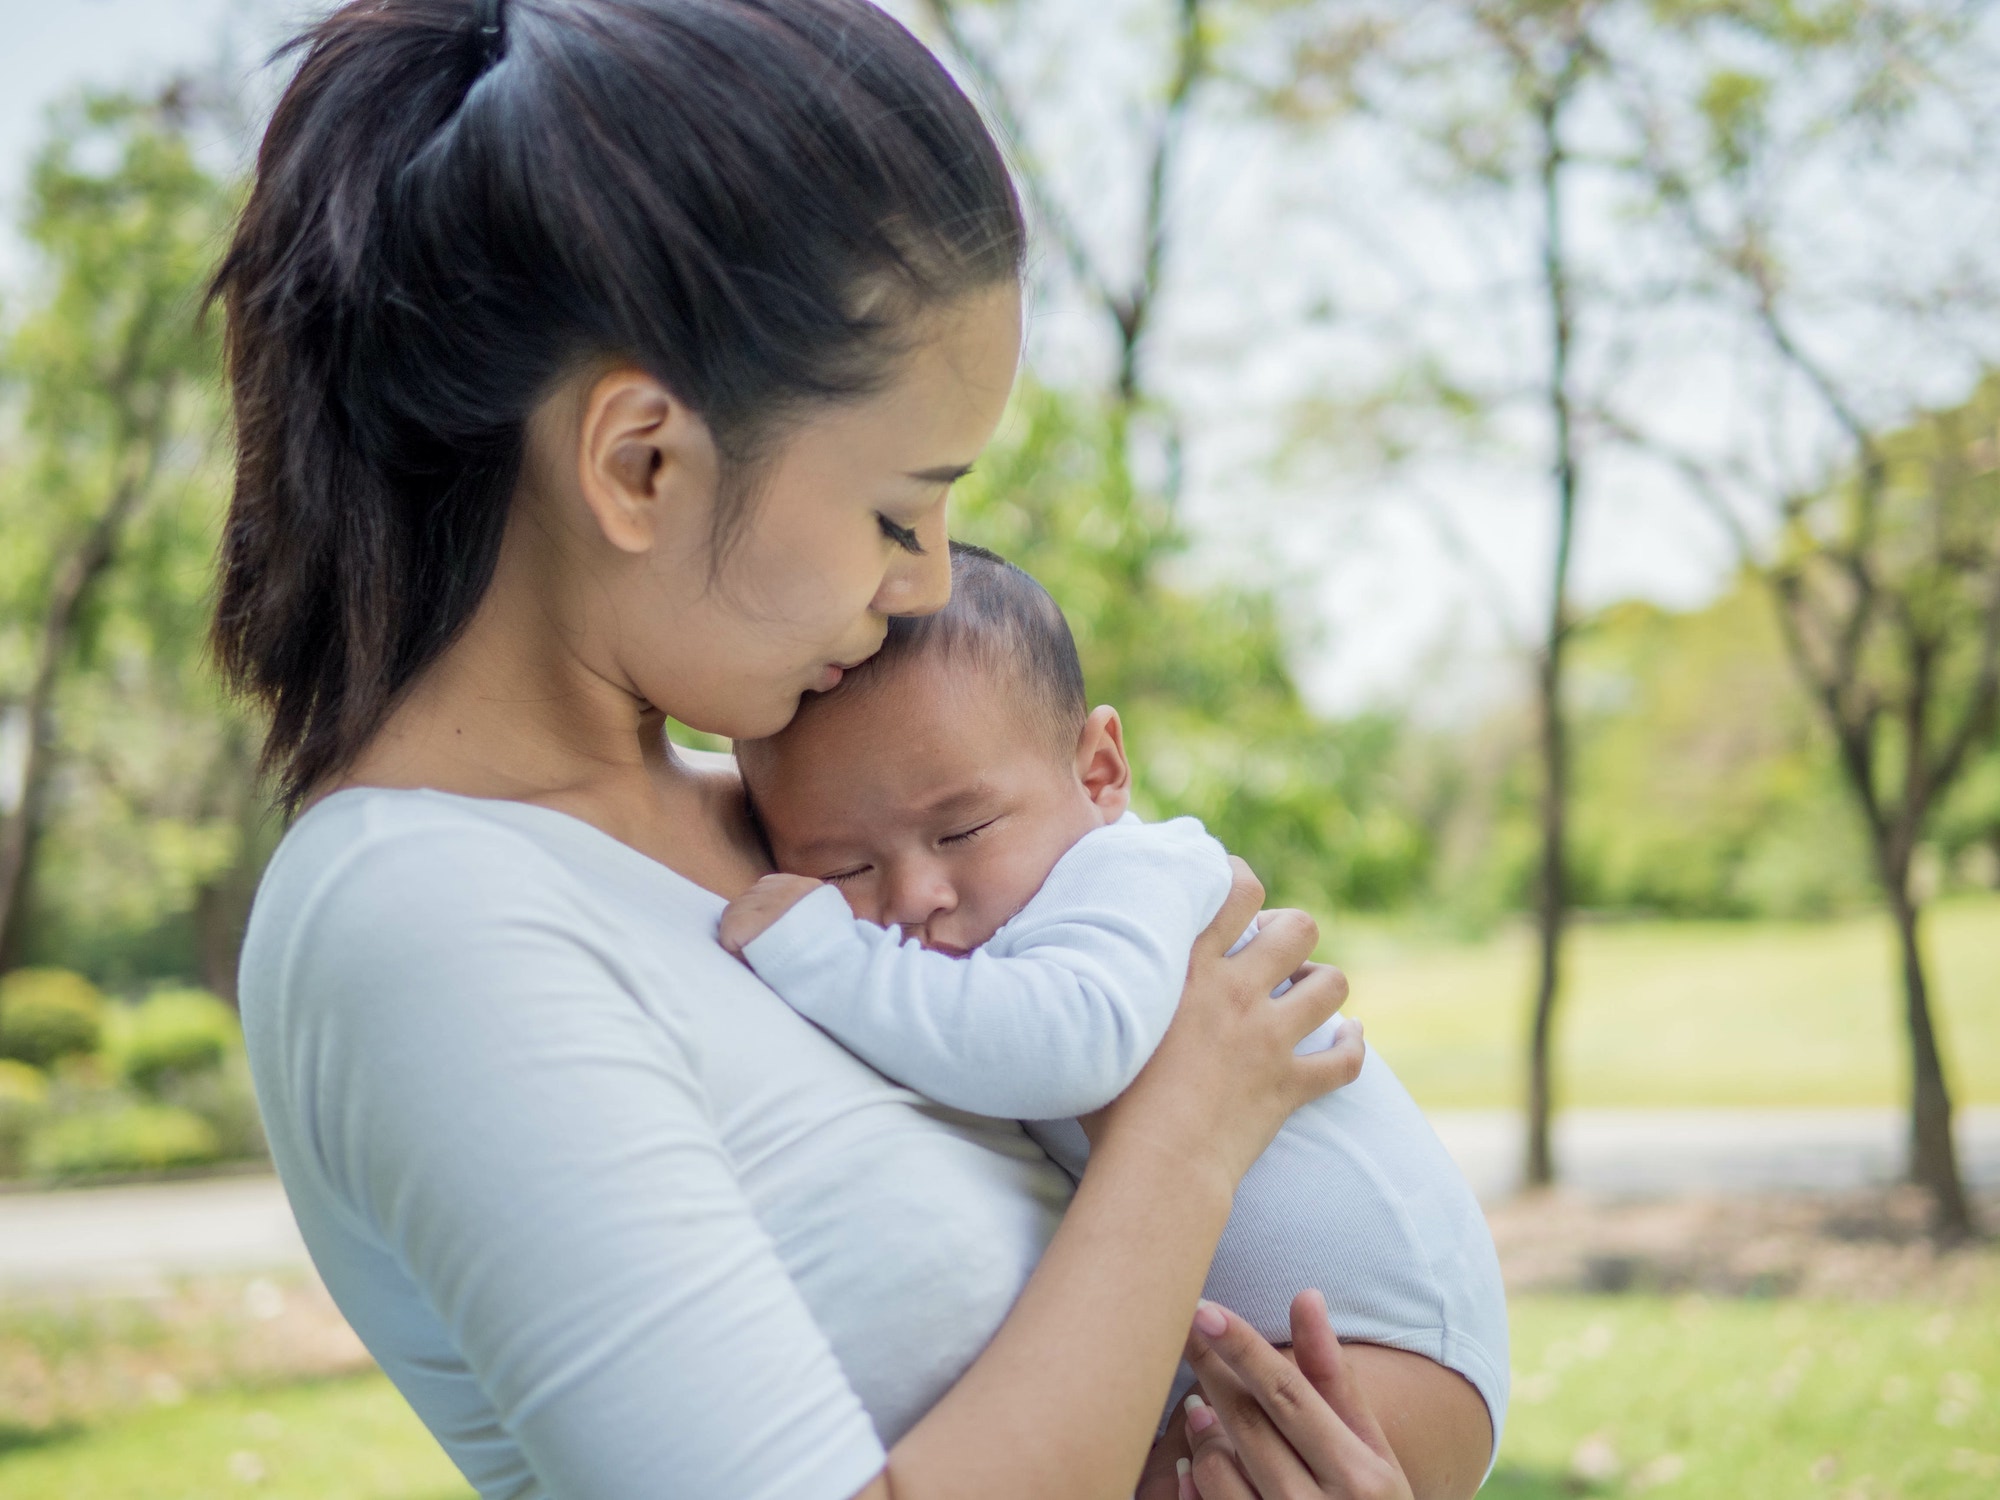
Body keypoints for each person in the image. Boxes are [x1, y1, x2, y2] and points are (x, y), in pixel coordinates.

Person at [212, 1, 1490, 1497]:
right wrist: (1190, 1123)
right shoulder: (422, 921)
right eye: (898, 512)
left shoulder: (791, 828)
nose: (932, 586)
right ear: (641, 463)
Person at [719, 543, 1509, 1480]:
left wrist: (823, 948)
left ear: (1099, 774)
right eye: (843, 868)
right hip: (1264, 1346)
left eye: (963, 830)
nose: (916, 892)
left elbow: (1070, 1046)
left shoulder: (1131, 875)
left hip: (1378, 1348)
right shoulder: (984, 927)